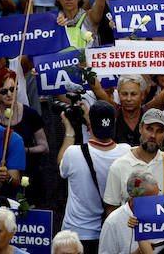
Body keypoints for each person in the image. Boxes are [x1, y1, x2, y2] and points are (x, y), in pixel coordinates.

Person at [58, 100, 130, 254]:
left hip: (77, 234)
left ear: (90, 123)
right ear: (114, 122)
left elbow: (61, 165)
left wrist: (69, 130)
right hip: (111, 232)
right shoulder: (126, 152)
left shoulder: (73, 153)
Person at [102, 109, 164, 212]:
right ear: (140, 128)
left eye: (159, 131)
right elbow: (112, 210)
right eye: (149, 129)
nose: (153, 135)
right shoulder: (119, 166)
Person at [99, 171, 160, 254]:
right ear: (133, 196)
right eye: (149, 198)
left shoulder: (163, 214)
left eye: (157, 195)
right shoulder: (113, 222)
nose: (156, 202)